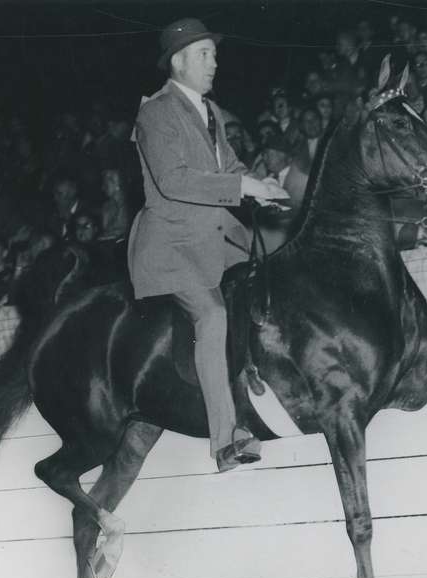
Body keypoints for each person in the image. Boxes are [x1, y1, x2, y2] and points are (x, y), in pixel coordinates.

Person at [129, 18, 288, 472]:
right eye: (204, 54)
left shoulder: (210, 110)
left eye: (214, 55)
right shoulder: (155, 113)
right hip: (173, 243)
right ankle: (225, 439)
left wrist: (262, 186)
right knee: (212, 315)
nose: (214, 62)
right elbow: (174, 181)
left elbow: (230, 167)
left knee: (276, 278)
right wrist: (242, 187)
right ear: (178, 61)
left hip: (217, 234)